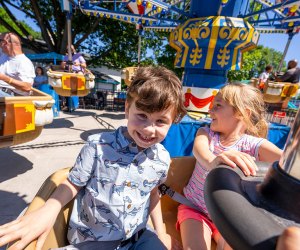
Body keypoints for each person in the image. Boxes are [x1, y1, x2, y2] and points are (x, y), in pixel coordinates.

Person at [0, 66, 186, 250]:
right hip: (92, 240)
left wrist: (161, 233)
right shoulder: (98, 146)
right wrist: (49, 210)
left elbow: (153, 193)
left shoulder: (161, 158)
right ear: (128, 108)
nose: (148, 129)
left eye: (161, 121)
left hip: (137, 236)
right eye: (142, 116)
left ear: (173, 120)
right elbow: (73, 183)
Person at [177, 83, 282, 250]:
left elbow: (289, 164)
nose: (210, 111)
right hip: (195, 208)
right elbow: (199, 150)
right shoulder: (206, 133)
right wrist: (214, 161)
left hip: (229, 217)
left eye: (217, 106)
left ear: (241, 113)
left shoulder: (254, 145)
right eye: (211, 106)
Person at [0, 32, 35, 96]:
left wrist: (4, 78)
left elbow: (27, 87)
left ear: (5, 43)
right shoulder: (4, 55)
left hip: (11, 96)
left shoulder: (24, 62)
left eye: (0, 41)